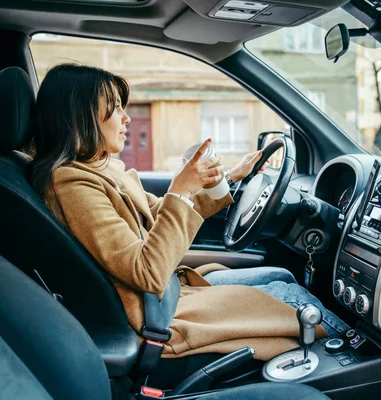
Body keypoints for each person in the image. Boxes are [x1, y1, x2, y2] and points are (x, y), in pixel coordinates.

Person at [30, 63, 348, 364]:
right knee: (293, 298)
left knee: (282, 277)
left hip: (168, 295)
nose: (126, 118)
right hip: (158, 316)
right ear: (77, 118)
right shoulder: (71, 183)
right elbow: (147, 272)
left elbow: (158, 217)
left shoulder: (101, 170)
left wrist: (226, 179)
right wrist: (180, 189)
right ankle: (352, 360)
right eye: (114, 108)